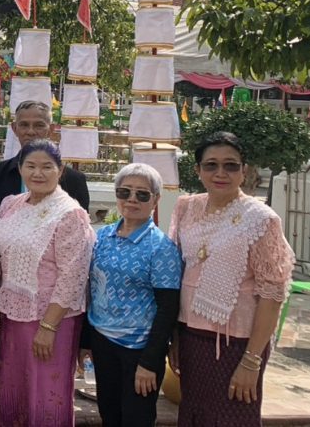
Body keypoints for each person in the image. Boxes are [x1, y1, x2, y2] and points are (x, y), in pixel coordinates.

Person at [169, 132, 295, 426]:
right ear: (198, 170)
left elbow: (272, 293)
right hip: (191, 339)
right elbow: (179, 274)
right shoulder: (187, 208)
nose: (221, 173)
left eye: (231, 165)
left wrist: (251, 361)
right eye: (211, 165)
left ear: (244, 171)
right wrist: (174, 337)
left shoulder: (260, 219)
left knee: (232, 417)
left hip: (236, 345)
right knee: (193, 415)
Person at [0, 99, 90, 423]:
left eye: (47, 167)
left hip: (50, 319)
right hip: (14, 315)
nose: (38, 173)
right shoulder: (12, 204)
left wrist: (49, 326)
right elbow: (4, 261)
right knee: (12, 391)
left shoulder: (70, 213)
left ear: (60, 171)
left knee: (46, 394)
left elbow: (73, 275)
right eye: (31, 166)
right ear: (20, 168)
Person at [79, 163, 181, 427]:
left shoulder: (161, 247)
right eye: (125, 192)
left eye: (142, 194)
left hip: (139, 349)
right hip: (103, 341)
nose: (132, 199)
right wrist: (85, 343)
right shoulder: (102, 237)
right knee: (109, 413)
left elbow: (168, 308)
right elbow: (91, 290)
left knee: (136, 418)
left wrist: (150, 361)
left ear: (156, 200)